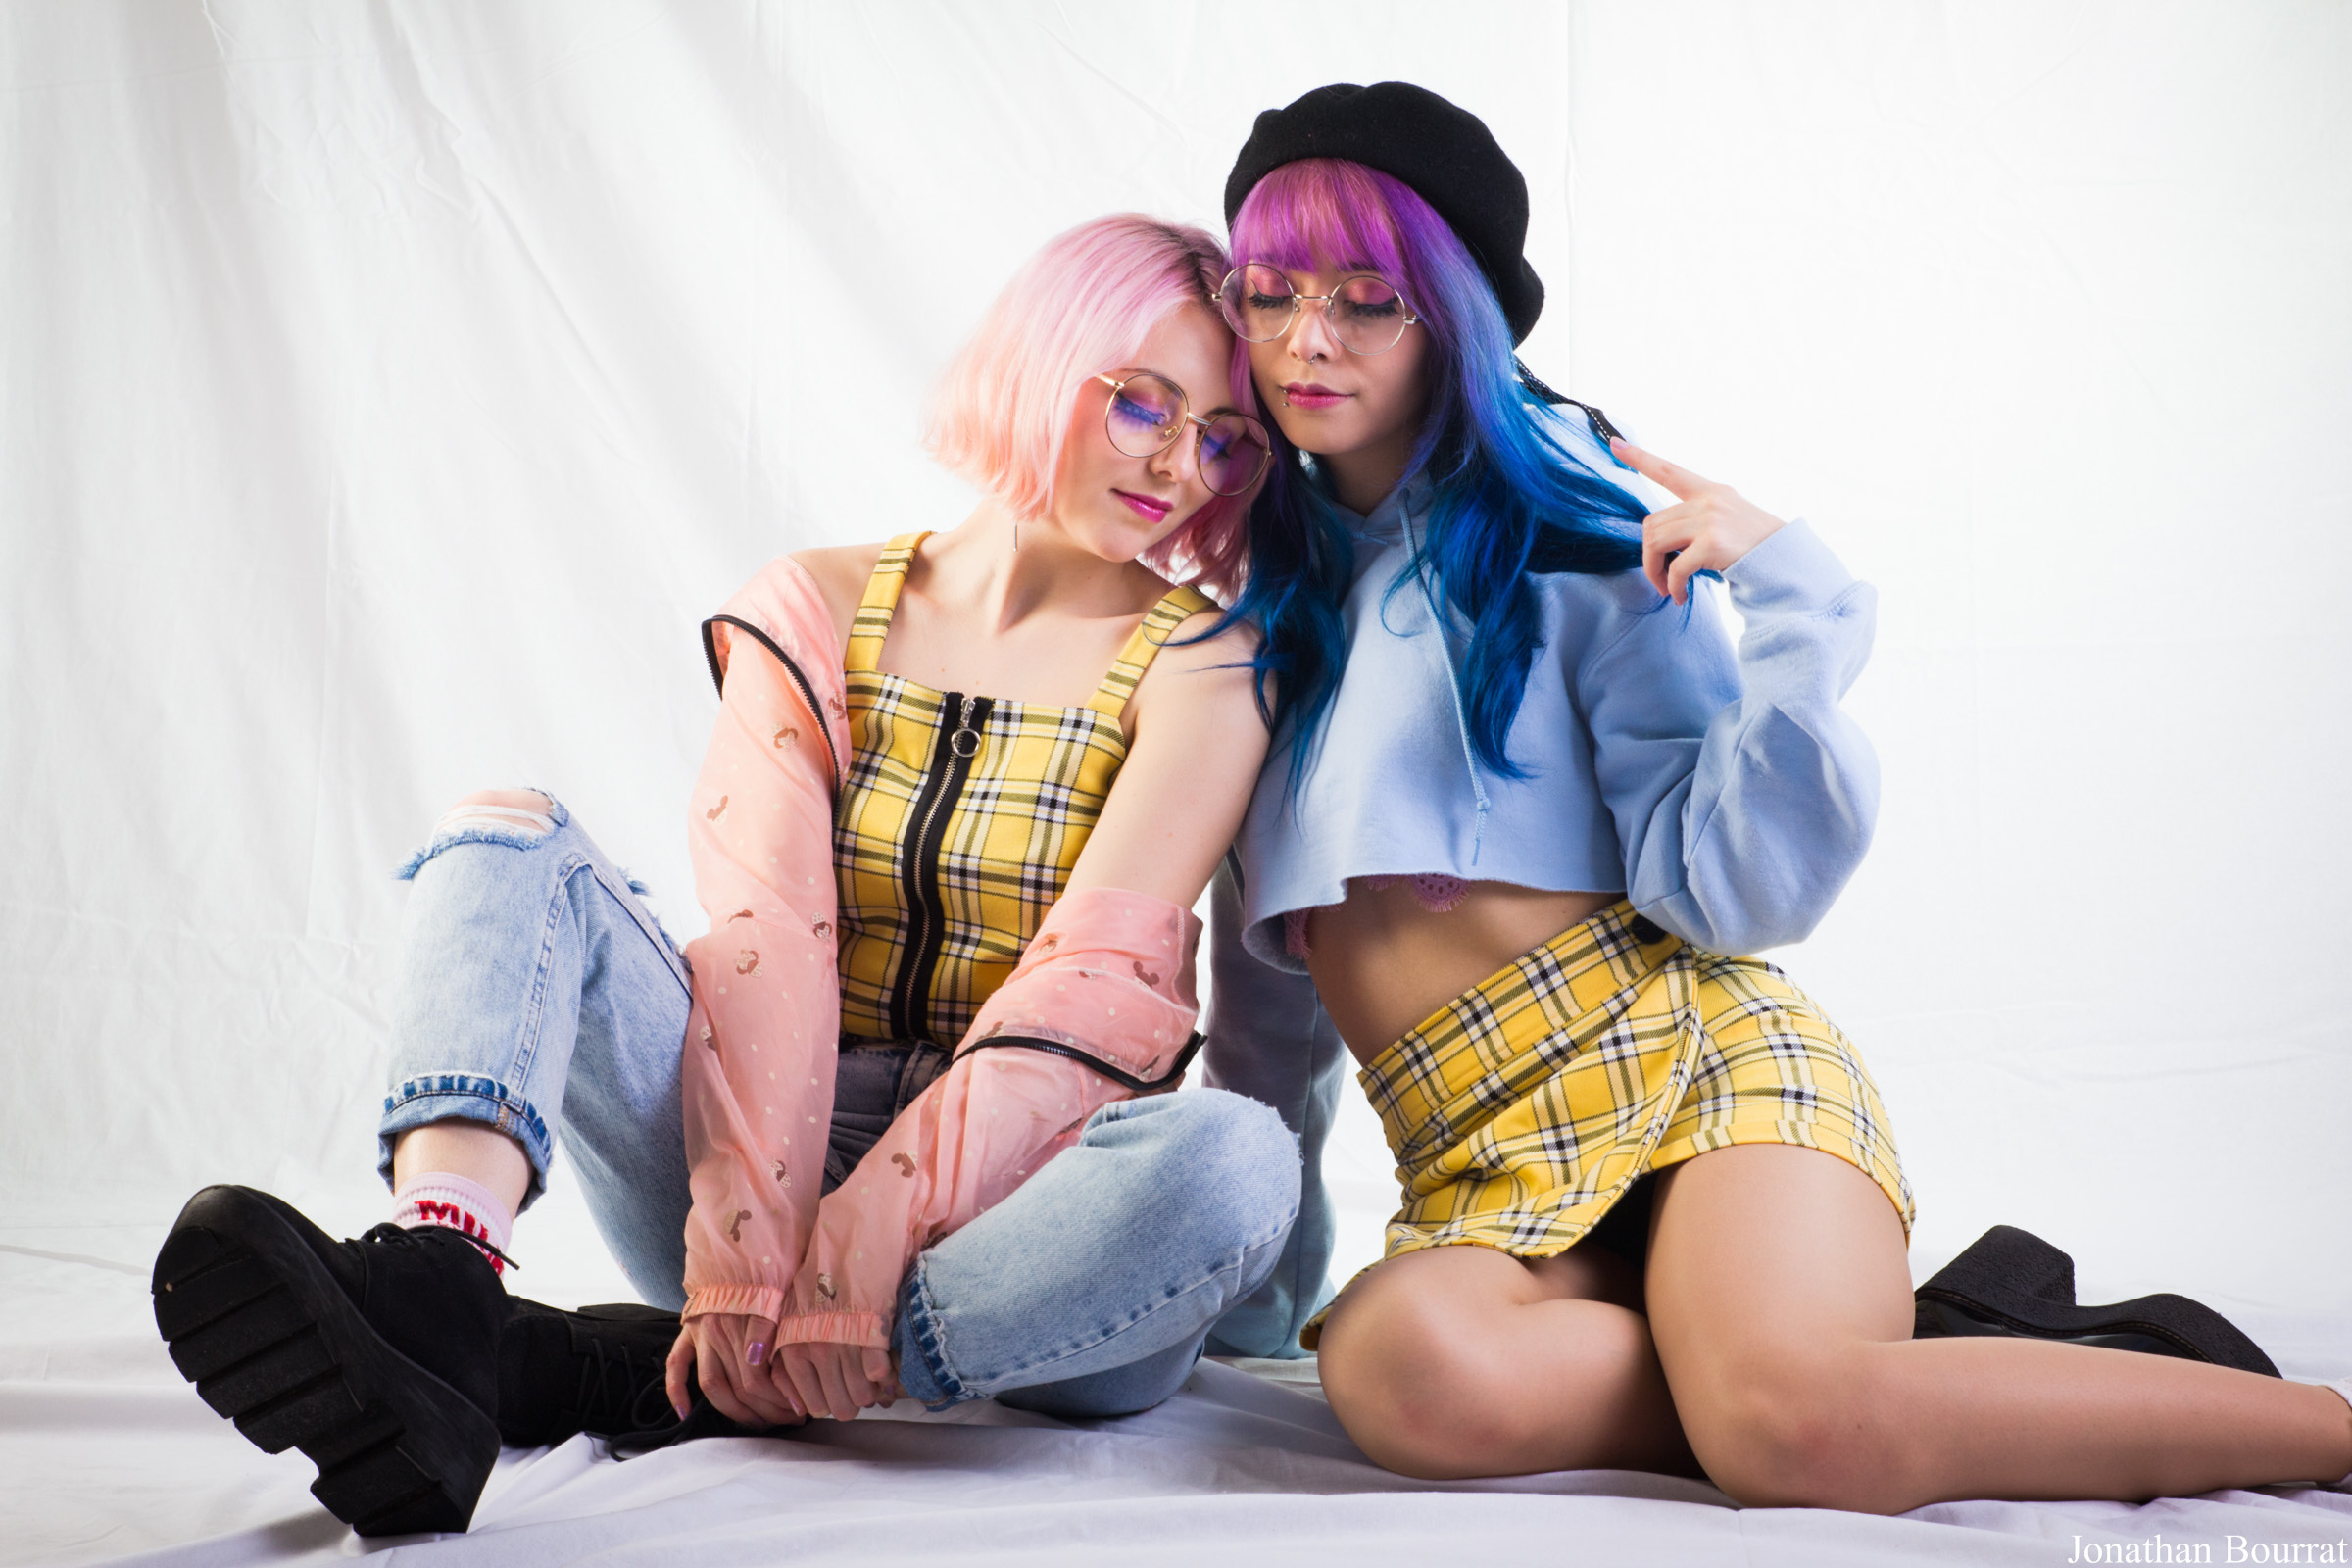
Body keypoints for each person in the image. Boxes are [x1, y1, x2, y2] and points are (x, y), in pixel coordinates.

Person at [1195, 82, 2352, 1509]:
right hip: (1486, 1169)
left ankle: (2308, 1428)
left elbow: (1734, 895)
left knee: (1785, 1428)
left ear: (1455, 317)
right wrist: (1247, 1290)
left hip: (1697, 1072)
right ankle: (1890, 1363)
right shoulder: (1248, 617)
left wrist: (1803, 611)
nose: (1306, 340)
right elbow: (1266, 1012)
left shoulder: (1580, 539)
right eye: (1269, 293)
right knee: (1401, 1371)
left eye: (1369, 299)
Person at [150, 213, 1300, 1536]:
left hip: (1037, 1240)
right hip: (758, 1181)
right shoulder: (815, 604)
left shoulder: (1207, 665)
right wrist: (754, 1267)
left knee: (1234, 1162)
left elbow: (1085, 994)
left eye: (1226, 441)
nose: (1182, 466)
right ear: (1046, 360)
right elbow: (770, 942)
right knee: (507, 834)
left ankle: (622, 1369)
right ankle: (440, 1293)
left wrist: (847, 1278)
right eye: (1146, 405)